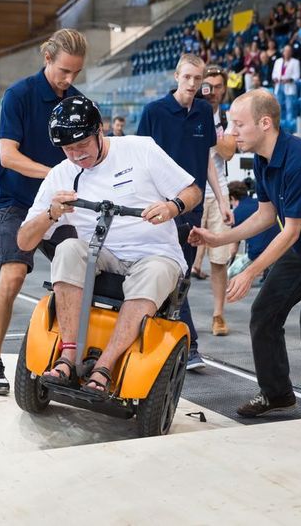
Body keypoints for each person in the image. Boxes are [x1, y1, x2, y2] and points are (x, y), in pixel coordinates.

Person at [189, 89, 301, 418]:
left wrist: (249, 271)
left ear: (265, 123)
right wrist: (219, 239)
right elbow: (266, 216)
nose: (231, 133)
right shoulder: (262, 157)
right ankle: (277, 394)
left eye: (238, 124)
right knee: (264, 313)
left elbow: (290, 231)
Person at [17, 96, 202, 393]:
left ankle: (106, 364)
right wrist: (51, 214)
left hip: (155, 254)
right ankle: (68, 354)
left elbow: (192, 191)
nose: (76, 156)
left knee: (155, 272)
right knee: (67, 250)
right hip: (102, 254)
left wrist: (173, 207)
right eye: (67, 149)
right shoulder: (61, 174)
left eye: (82, 146)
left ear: (99, 131)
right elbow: (24, 240)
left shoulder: (140, 149)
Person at [0, 28, 87, 394]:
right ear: (47, 59)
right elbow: (9, 156)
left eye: (76, 72)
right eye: (63, 71)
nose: (69, 79)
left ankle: (70, 356)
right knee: (12, 277)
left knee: (82, 269)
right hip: (17, 201)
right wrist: (54, 176)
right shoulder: (19, 95)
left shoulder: (76, 101)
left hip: (59, 204)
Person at [137, 53, 230, 371]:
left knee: (180, 278)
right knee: (170, 275)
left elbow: (207, 158)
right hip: (160, 208)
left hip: (193, 208)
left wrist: (221, 198)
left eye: (197, 78)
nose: (192, 83)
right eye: (187, 77)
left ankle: (170, 345)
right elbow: (140, 159)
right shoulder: (154, 112)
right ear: (176, 76)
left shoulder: (205, 111)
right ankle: (188, 346)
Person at [190, 65, 237, 337]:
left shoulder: (228, 116)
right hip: (191, 192)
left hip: (219, 193)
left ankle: (218, 315)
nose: (214, 92)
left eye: (219, 87)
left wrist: (212, 122)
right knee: (180, 258)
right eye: (208, 86)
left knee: (219, 260)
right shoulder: (191, 110)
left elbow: (228, 152)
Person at [228, 180, 280, 280]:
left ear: (232, 198)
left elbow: (233, 249)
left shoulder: (237, 212)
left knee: (228, 274)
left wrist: (229, 262)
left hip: (256, 252)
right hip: (276, 247)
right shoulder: (259, 204)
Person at [271, 45, 301, 123]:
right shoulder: (278, 61)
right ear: (283, 52)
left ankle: (289, 123)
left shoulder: (295, 62)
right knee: (277, 106)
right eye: (285, 51)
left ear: (291, 53)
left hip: (289, 86)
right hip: (279, 85)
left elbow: (297, 76)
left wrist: (289, 80)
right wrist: (275, 79)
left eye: (289, 51)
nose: (287, 53)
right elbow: (274, 73)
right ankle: (277, 123)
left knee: (289, 106)